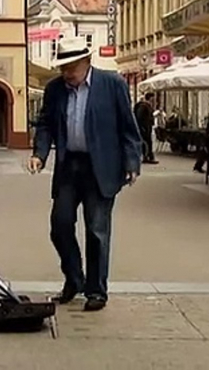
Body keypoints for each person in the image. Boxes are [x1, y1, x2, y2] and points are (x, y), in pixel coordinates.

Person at [27, 36, 142, 312]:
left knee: (97, 230)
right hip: (69, 166)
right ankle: (74, 278)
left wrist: (132, 161)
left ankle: (96, 291)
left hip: (101, 167)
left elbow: (128, 127)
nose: (66, 73)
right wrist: (38, 154)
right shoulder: (55, 89)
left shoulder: (112, 84)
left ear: (86, 62)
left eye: (71, 68)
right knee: (60, 224)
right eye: (63, 68)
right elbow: (45, 125)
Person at [134, 92, 159, 164]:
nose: (155, 101)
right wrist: (142, 126)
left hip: (146, 127)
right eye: (153, 99)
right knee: (146, 142)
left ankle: (148, 156)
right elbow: (140, 116)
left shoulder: (146, 106)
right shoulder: (144, 106)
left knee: (148, 142)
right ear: (150, 98)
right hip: (144, 128)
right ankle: (147, 156)